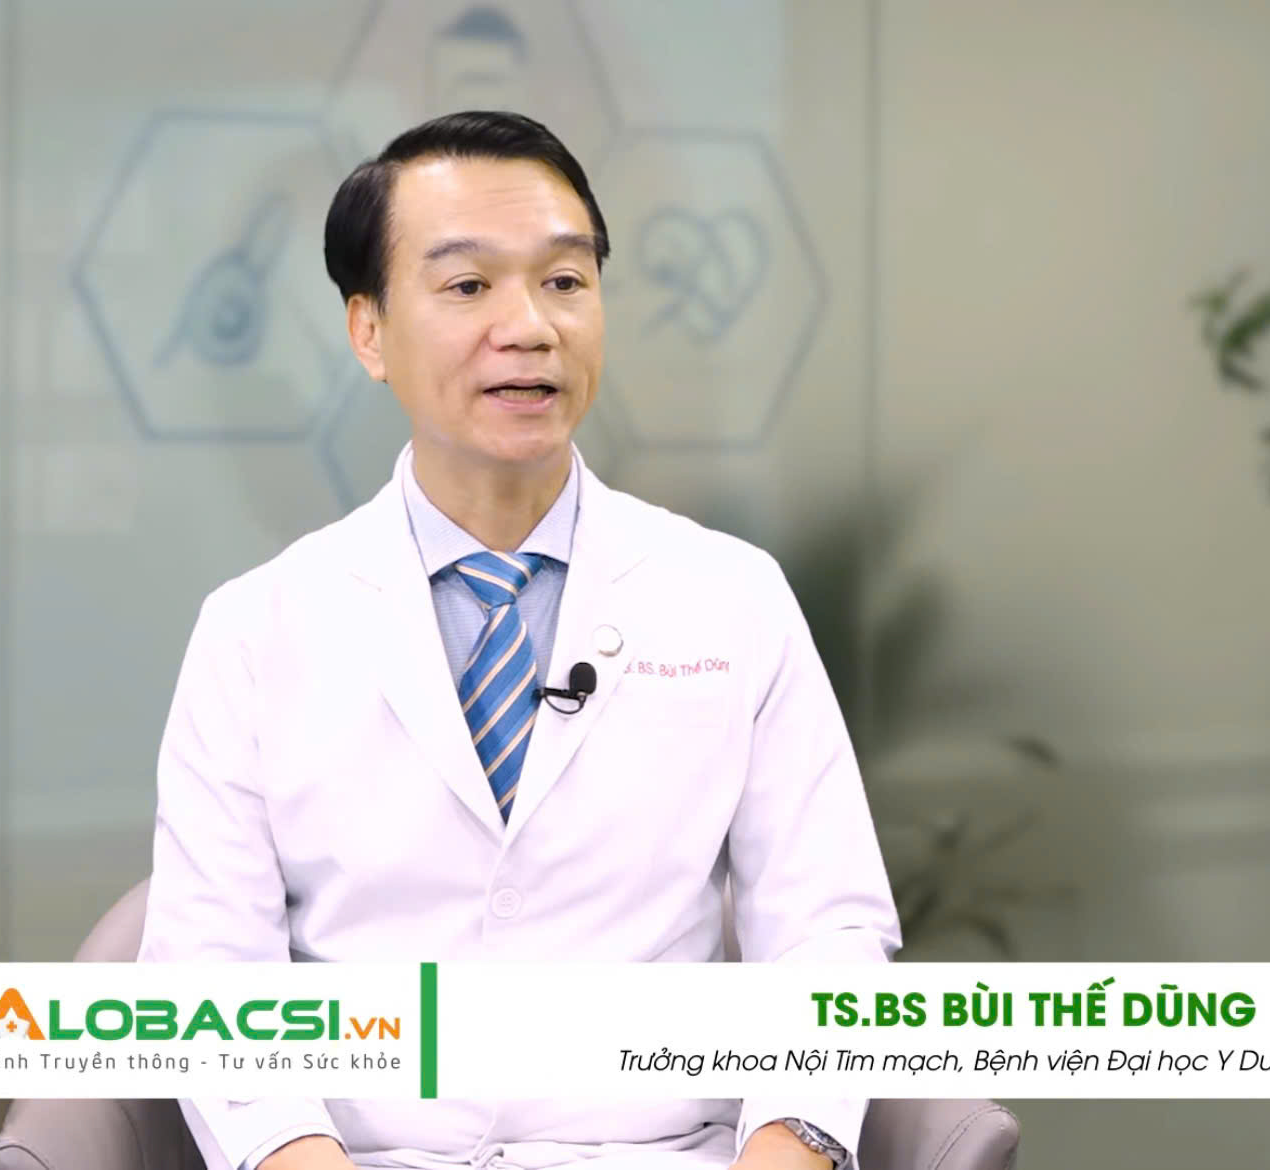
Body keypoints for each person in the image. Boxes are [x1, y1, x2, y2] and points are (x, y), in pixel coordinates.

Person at [137, 110, 902, 1170]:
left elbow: (826, 929)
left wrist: (788, 1143)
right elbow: (209, 967)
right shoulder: (256, 629)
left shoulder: (733, 597)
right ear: (368, 331)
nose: (530, 326)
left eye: (564, 281)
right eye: (467, 285)